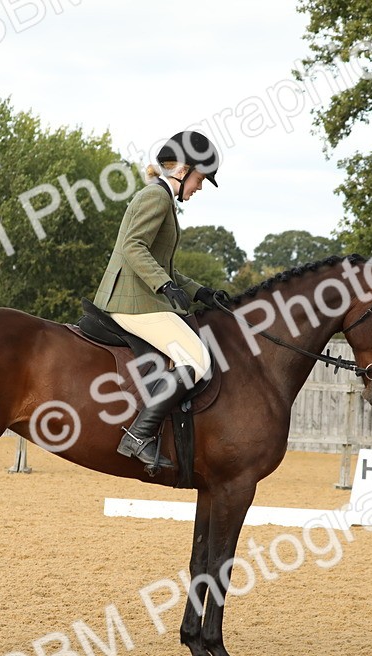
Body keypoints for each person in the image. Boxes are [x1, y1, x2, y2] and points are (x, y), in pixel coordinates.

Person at [93, 131, 230, 470]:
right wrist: (165, 287)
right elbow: (133, 248)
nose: (199, 188)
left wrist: (199, 291)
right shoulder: (156, 197)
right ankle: (139, 435)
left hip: (141, 297)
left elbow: (163, 262)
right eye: (200, 179)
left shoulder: (162, 198)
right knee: (198, 360)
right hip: (131, 301)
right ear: (183, 171)